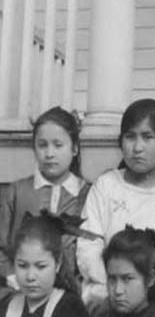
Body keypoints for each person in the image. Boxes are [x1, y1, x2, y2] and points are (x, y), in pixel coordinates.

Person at [77, 99, 155, 307]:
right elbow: (88, 245)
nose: (137, 147)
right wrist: (115, 282)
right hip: (109, 290)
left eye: (148, 137)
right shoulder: (106, 185)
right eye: (130, 137)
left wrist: (145, 288)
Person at [0, 107, 90, 294]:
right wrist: (14, 277)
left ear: (74, 148)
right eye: (42, 145)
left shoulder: (88, 194)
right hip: (21, 288)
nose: (49, 154)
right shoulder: (16, 192)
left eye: (58, 145)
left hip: (73, 293)